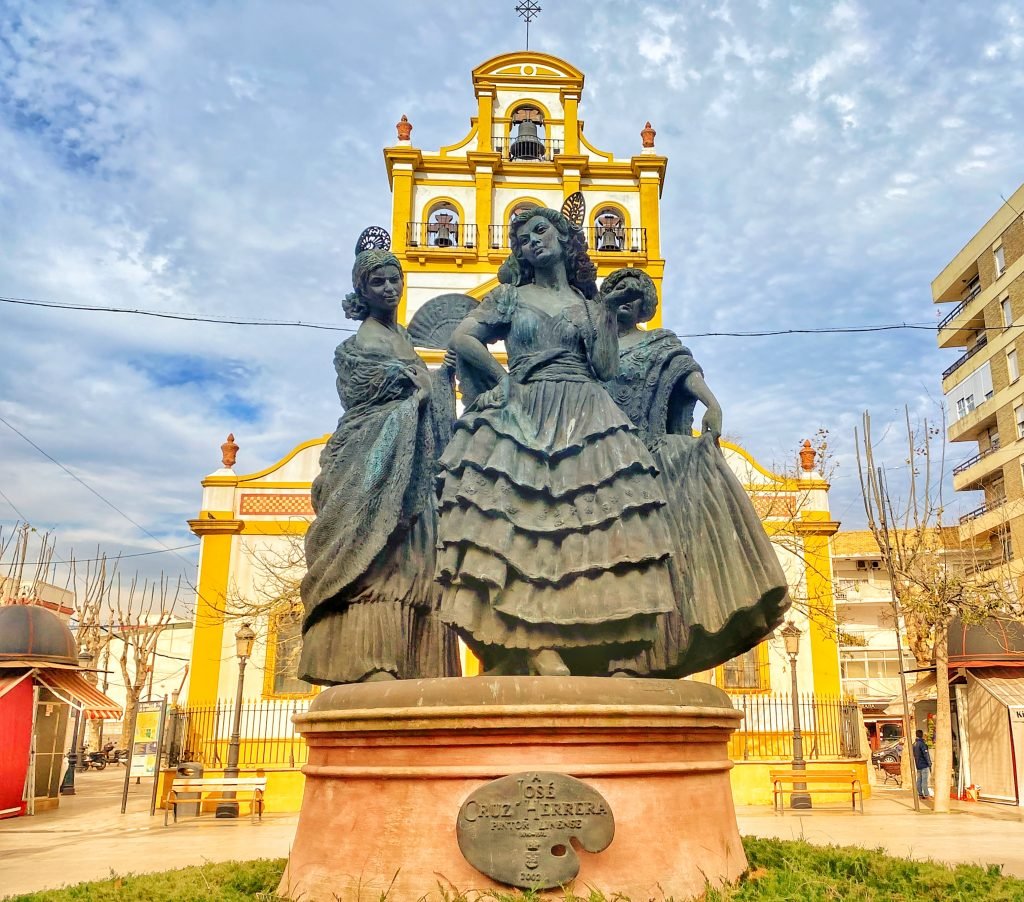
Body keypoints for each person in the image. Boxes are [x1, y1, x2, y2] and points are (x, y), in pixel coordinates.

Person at [436, 207, 676, 677]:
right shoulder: (509, 297)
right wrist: (498, 379)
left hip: (585, 409)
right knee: (525, 523)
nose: (531, 242)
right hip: (526, 406)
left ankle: (587, 638)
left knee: (592, 526)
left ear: (564, 237)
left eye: (540, 230)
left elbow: (606, 367)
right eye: (522, 239)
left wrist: (607, 316)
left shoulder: (589, 307)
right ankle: (530, 642)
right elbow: (463, 337)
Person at [599, 268, 791, 676]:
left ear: (644, 306)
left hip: (648, 459)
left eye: (634, 297)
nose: (626, 303)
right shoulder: (594, 352)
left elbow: (686, 374)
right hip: (597, 463)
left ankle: (643, 652)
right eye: (618, 295)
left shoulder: (659, 343)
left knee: (649, 556)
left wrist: (713, 404)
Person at [299, 244, 460, 684]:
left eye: (395, 280)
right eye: (378, 282)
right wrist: (419, 397)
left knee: (418, 559)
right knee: (380, 557)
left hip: (414, 467)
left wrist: (441, 380)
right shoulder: (361, 343)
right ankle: (373, 661)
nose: (389, 288)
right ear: (362, 291)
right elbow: (363, 397)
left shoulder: (403, 337)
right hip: (375, 453)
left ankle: (418, 662)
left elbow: (421, 391)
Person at [913, 729, 932, 800]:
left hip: (918, 765)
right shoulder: (922, 744)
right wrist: (929, 763)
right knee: (924, 780)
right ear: (922, 735)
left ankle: (920, 794)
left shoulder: (914, 744)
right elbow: (926, 754)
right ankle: (927, 794)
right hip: (924, 764)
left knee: (919, 780)